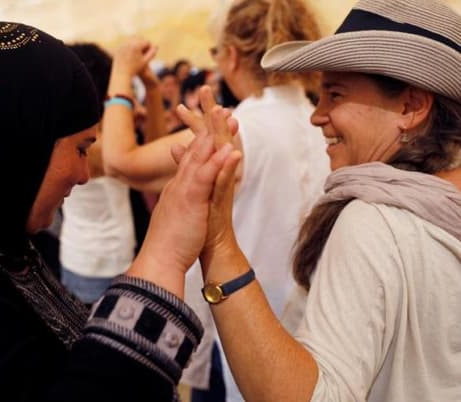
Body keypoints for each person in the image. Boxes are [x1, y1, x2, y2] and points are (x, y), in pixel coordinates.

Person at [0, 21, 240, 401]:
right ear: (17, 139)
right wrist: (166, 251)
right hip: (91, 262)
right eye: (79, 149)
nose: (84, 174)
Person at [173, 0, 461, 400]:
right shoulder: (440, 205)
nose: (317, 115)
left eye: (335, 95)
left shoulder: (376, 222)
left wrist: (219, 241)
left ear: (411, 107)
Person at [101, 1, 328, 400]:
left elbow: (120, 163)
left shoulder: (239, 130)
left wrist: (120, 74)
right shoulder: (324, 127)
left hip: (241, 330)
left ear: (233, 55)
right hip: (309, 336)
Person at [59, 42, 161, 305]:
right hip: (93, 265)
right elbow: (146, 162)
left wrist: (152, 88)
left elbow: (153, 149)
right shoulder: (83, 142)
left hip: (109, 255)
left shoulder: (102, 136)